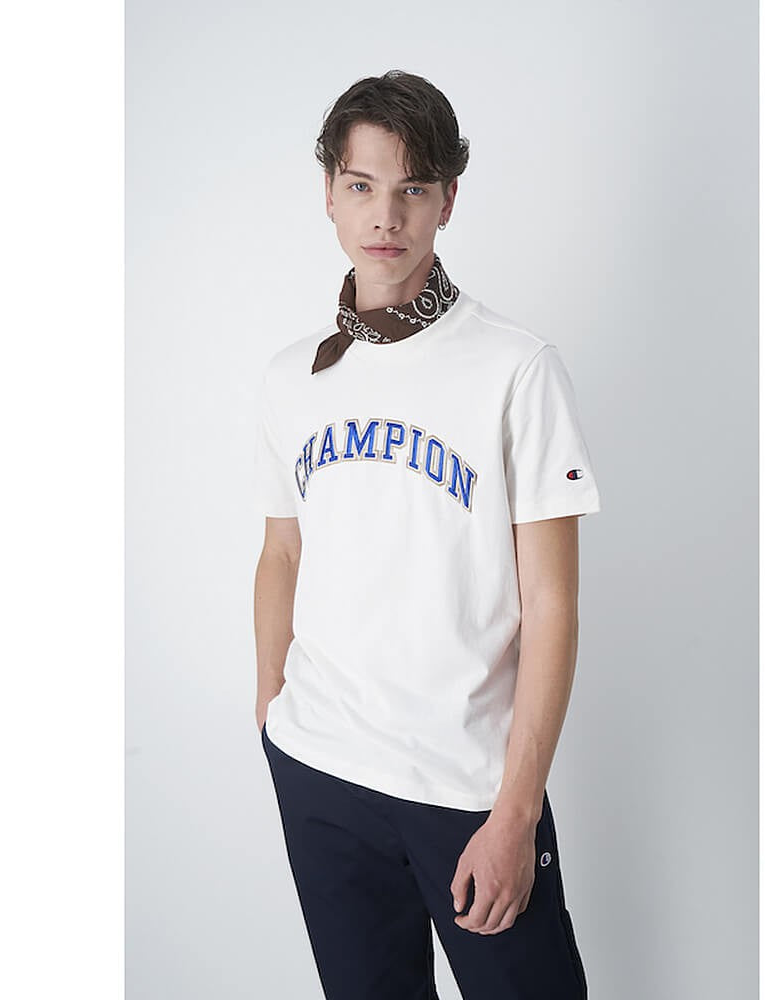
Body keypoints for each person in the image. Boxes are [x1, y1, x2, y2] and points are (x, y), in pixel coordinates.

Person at [253, 69, 601, 1000]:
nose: (386, 215)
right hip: (320, 768)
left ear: (448, 199)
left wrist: (516, 811)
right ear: (330, 193)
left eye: (412, 188)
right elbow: (282, 550)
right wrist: (271, 712)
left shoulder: (516, 369)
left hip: (466, 789)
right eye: (362, 185)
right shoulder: (293, 378)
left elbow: (552, 604)